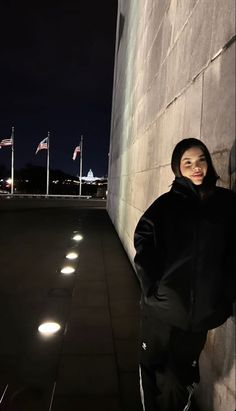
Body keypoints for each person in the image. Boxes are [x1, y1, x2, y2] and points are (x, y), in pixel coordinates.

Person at [133, 138, 236, 411]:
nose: (196, 167)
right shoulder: (167, 204)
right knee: (152, 372)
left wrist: (225, 296)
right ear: (178, 169)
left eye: (201, 159)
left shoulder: (227, 203)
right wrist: (152, 289)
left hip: (199, 316)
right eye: (187, 162)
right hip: (161, 311)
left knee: (180, 379)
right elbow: (143, 242)